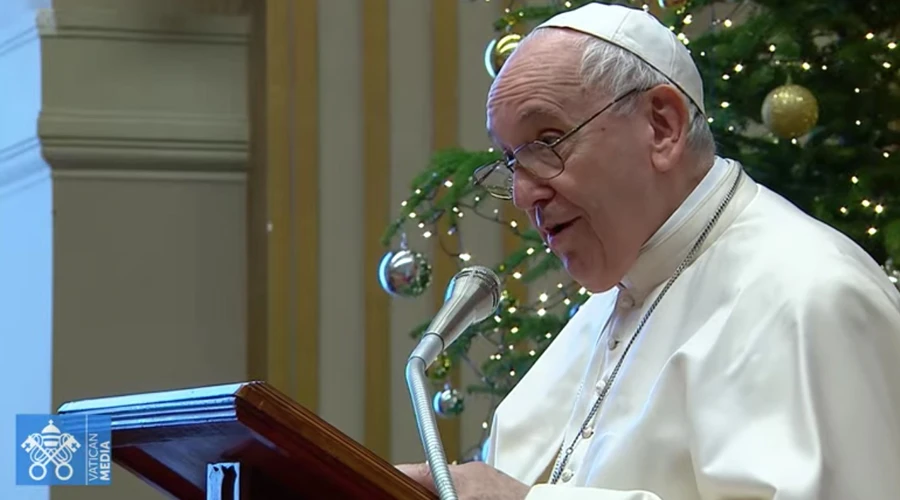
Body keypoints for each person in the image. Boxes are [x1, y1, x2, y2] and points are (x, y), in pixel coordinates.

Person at [398, 3, 900, 499]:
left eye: (547, 141)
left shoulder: (812, 293)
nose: (525, 194)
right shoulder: (608, 305)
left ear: (662, 126)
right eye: (511, 160)